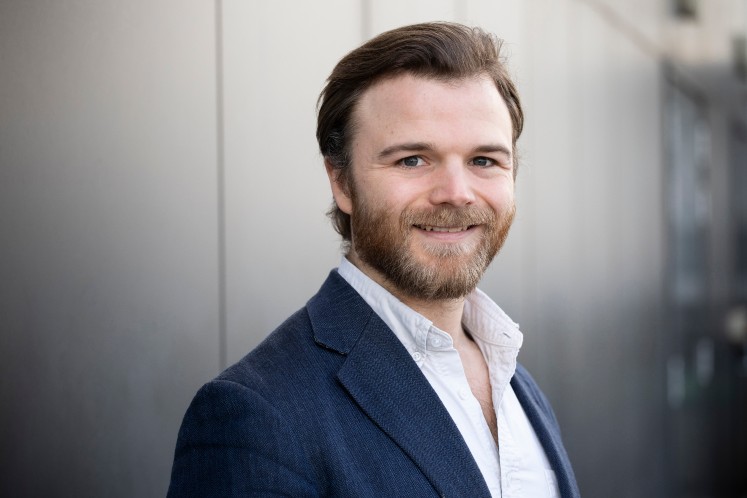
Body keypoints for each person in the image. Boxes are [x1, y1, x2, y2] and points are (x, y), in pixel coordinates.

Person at [167, 22, 579, 498]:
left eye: (484, 160)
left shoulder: (517, 385)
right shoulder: (256, 418)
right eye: (412, 160)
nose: (456, 193)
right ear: (341, 182)